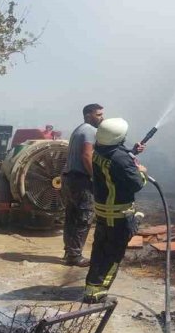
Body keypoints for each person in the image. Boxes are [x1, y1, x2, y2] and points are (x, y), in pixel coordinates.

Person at [83, 117, 147, 303]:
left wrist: (131, 153)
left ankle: (91, 286)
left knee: (100, 250)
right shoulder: (121, 159)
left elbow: (114, 163)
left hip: (104, 213)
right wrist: (141, 170)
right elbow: (137, 184)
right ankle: (97, 293)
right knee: (113, 255)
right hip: (118, 215)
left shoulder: (99, 150)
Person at [60, 103, 104, 266]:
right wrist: (95, 177)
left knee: (71, 217)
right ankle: (75, 256)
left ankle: (69, 252)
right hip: (81, 181)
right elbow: (87, 155)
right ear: (88, 116)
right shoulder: (90, 131)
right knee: (84, 217)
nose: (102, 117)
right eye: (98, 114)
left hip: (70, 179)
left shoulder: (79, 130)